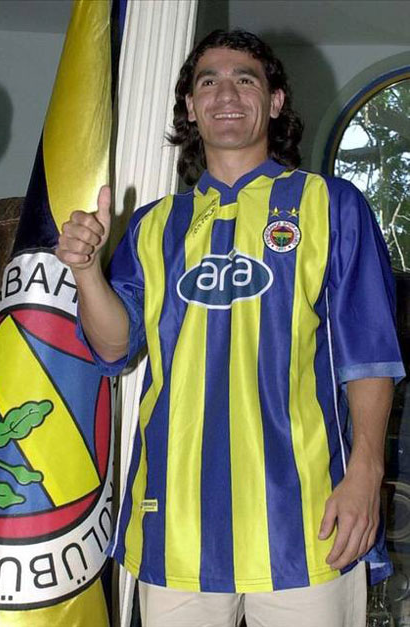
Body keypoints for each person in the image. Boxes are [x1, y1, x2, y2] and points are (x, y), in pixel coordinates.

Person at [56, 29, 405, 627]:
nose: (226, 93)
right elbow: (114, 346)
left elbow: (368, 355)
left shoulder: (332, 205)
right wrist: (86, 270)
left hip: (310, 519)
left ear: (275, 101)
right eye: (208, 81)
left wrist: (366, 473)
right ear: (191, 108)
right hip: (175, 524)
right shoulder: (153, 226)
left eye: (246, 79)